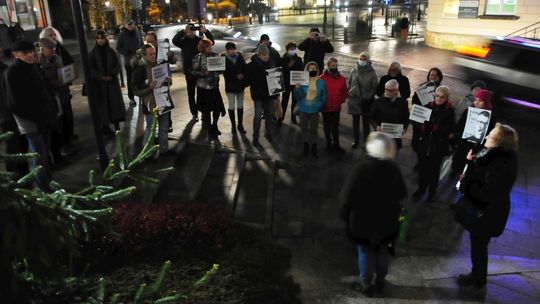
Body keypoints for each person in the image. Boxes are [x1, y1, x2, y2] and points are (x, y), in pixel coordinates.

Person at [340, 132, 407, 297]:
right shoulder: (393, 168)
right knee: (382, 251)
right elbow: (402, 193)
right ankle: (381, 280)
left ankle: (366, 283)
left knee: (364, 252)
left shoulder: (361, 168)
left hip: (362, 222)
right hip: (387, 221)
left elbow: (347, 197)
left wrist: (345, 217)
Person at [456, 123, 518, 290]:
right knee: (478, 244)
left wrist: (467, 183)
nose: (486, 137)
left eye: (491, 136)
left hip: (487, 213)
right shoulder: (495, 155)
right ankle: (478, 275)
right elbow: (481, 172)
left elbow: (487, 192)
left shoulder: (501, 165)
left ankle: (478, 278)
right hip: (486, 211)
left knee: (479, 245)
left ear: (500, 143)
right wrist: (471, 163)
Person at [4, 40, 59, 191]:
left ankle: (48, 181)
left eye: (31, 51)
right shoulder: (12, 73)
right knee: (38, 155)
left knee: (44, 152)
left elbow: (45, 90)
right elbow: (14, 103)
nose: (30, 55)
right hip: (30, 122)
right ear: (15, 54)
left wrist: (52, 108)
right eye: (25, 53)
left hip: (44, 117)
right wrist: (36, 116)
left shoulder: (33, 68)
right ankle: (44, 188)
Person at [412, 85, 455, 201]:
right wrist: (422, 126)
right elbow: (416, 123)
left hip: (438, 147)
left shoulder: (450, 111)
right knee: (422, 169)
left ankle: (432, 192)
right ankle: (421, 189)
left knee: (434, 171)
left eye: (442, 97)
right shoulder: (427, 107)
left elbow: (450, 129)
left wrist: (437, 128)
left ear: (447, 98)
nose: (439, 99)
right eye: (437, 96)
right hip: (425, 144)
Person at [37, 37, 73, 166]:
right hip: (50, 96)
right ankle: (55, 157)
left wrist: (68, 76)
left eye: (53, 48)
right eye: (50, 49)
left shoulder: (57, 58)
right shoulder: (39, 61)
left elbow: (63, 71)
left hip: (61, 94)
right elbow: (42, 80)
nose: (52, 51)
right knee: (53, 127)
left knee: (62, 121)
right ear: (42, 49)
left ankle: (61, 150)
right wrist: (55, 82)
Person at [132, 44, 172, 155]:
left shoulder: (160, 65)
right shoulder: (140, 70)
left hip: (163, 100)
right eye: (151, 54)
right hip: (150, 104)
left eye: (154, 53)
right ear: (144, 56)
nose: (153, 56)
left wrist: (168, 80)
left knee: (164, 127)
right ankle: (147, 152)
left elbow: (169, 81)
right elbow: (136, 91)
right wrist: (149, 87)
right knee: (151, 129)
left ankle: (164, 150)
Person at [39, 26, 76, 143]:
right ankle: (63, 140)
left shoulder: (58, 52)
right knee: (59, 117)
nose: (53, 37)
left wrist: (69, 75)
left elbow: (69, 62)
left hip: (64, 88)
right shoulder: (41, 59)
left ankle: (69, 135)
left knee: (67, 114)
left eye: (54, 34)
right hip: (54, 92)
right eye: (50, 35)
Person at [172, 23, 214, 121]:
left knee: (201, 93)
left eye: (193, 29)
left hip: (201, 71)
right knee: (191, 93)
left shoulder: (200, 40)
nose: (191, 31)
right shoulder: (183, 41)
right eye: (189, 29)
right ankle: (194, 113)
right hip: (189, 71)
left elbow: (211, 42)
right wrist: (183, 32)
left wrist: (206, 32)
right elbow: (174, 40)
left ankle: (203, 111)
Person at [88, 30, 126, 136]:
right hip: (101, 85)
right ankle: (105, 127)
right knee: (104, 106)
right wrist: (101, 77)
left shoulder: (111, 52)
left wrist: (113, 75)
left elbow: (117, 65)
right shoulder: (93, 53)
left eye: (102, 38)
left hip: (112, 82)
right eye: (98, 38)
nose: (100, 40)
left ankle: (117, 126)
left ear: (106, 39)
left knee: (115, 105)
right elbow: (91, 69)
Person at [452, 89, 495, 175]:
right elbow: (460, 125)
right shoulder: (469, 111)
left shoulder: (491, 117)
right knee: (457, 164)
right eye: (476, 100)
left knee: (468, 167)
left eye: (480, 101)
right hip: (463, 143)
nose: (477, 103)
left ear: (486, 102)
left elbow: (489, 134)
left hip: (476, 146)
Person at [0, 52, 28, 177]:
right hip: (5, 114)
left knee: (21, 142)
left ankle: (24, 171)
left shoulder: (5, 68)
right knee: (12, 145)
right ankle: (14, 176)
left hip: (15, 111)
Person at [245, 44, 279, 146]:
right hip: (258, 95)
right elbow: (248, 80)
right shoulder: (252, 65)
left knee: (269, 115)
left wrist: (276, 94)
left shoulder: (271, 63)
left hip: (268, 95)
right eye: (264, 55)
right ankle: (256, 136)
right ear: (259, 55)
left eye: (267, 54)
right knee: (257, 116)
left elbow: (276, 79)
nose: (266, 57)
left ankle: (268, 133)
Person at [191, 39, 225, 138]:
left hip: (214, 86)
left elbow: (221, 71)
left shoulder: (215, 56)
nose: (210, 48)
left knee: (217, 108)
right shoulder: (198, 58)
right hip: (203, 88)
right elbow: (193, 72)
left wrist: (221, 68)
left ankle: (215, 125)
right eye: (208, 46)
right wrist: (202, 73)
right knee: (206, 110)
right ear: (202, 48)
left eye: (210, 46)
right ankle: (209, 127)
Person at [144, 31, 177, 133]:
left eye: (152, 41)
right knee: (153, 104)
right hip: (152, 83)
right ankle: (156, 128)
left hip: (163, 79)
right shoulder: (145, 50)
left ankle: (168, 124)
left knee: (165, 100)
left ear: (156, 41)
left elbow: (173, 60)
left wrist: (171, 56)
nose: (150, 43)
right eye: (147, 41)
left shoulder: (163, 49)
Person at [411, 67, 443, 168]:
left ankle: (422, 162)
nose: (432, 77)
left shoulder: (440, 90)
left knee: (426, 143)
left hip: (430, 122)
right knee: (415, 143)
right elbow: (414, 101)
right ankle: (418, 158)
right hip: (419, 117)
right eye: (431, 75)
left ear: (439, 77)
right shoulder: (422, 87)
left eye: (435, 75)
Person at [294, 61, 326, 158]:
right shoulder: (302, 81)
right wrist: (297, 89)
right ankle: (305, 146)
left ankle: (314, 147)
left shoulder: (320, 82)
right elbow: (297, 97)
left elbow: (324, 96)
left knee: (314, 130)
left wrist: (319, 105)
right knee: (304, 129)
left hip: (315, 110)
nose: (312, 70)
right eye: (310, 69)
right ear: (306, 70)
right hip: (303, 109)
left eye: (314, 69)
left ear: (317, 70)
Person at [347, 51, 378, 148]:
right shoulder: (354, 70)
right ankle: (356, 140)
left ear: (368, 60)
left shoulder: (372, 72)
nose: (362, 61)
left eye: (364, 59)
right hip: (354, 100)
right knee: (355, 123)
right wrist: (351, 93)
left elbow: (374, 87)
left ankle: (366, 142)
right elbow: (349, 83)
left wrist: (367, 97)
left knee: (366, 123)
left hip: (366, 101)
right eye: (360, 59)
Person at [369, 79, 410, 151]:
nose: (387, 92)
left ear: (396, 91)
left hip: (395, 138)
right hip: (381, 136)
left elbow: (406, 117)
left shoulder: (403, 103)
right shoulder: (378, 102)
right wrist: (376, 126)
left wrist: (405, 128)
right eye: (386, 89)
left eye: (390, 90)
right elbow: (371, 117)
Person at [320, 57, 347, 152]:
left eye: (336, 66)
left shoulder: (342, 79)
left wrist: (341, 100)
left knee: (335, 127)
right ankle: (329, 143)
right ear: (328, 66)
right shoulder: (322, 78)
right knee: (327, 127)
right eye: (332, 66)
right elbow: (318, 92)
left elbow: (344, 91)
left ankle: (336, 144)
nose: (335, 67)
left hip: (336, 107)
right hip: (326, 108)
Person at [116, 19, 143, 106]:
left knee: (140, 78)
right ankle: (131, 97)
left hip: (138, 59)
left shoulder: (137, 32)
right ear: (125, 25)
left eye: (132, 24)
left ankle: (141, 95)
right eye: (129, 25)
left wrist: (141, 53)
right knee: (130, 79)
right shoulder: (122, 34)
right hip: (129, 61)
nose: (131, 26)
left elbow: (141, 43)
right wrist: (126, 52)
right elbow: (118, 47)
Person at [222, 42, 247, 134]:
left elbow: (245, 68)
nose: (232, 51)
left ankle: (240, 124)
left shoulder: (240, 57)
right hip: (230, 86)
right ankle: (233, 125)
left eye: (233, 49)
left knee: (240, 105)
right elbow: (225, 74)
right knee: (231, 105)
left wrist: (243, 74)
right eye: (230, 50)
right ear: (227, 51)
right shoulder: (224, 59)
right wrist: (236, 75)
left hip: (240, 86)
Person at [279, 41, 303, 125]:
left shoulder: (298, 59)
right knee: (284, 101)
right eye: (291, 49)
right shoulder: (283, 59)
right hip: (286, 83)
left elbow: (301, 70)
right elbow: (282, 70)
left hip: (295, 83)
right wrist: (289, 65)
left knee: (295, 101)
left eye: (294, 49)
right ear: (287, 50)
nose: (293, 50)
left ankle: (293, 117)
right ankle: (281, 118)